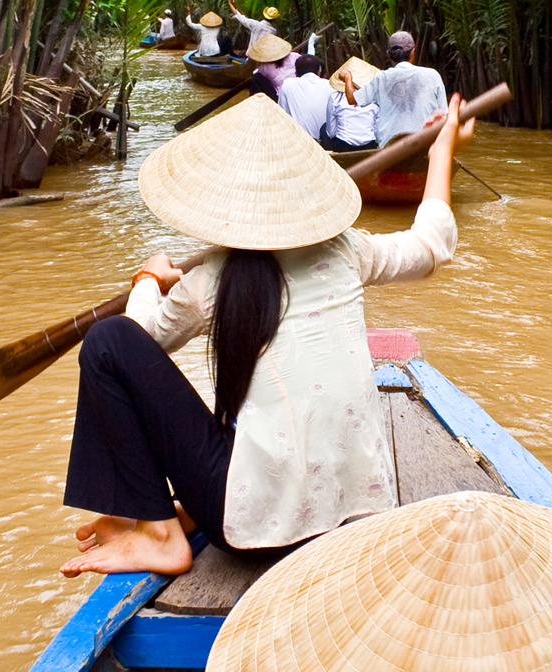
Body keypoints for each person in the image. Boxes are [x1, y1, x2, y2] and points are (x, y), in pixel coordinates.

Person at [57, 92, 478, 577]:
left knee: (107, 342)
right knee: (259, 404)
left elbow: (139, 339)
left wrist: (149, 281)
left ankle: (160, 534)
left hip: (253, 535)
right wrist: (441, 149)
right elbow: (432, 244)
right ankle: (179, 510)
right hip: (355, 512)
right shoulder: (346, 251)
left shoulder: (211, 280)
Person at [342, 31, 447, 147]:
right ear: (413, 52)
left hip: (391, 148)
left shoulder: (381, 78)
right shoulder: (432, 75)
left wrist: (347, 78)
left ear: (388, 54)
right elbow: (444, 115)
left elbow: (351, 98)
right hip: (425, 144)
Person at [324, 57, 380, 151]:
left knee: (323, 129)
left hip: (343, 145)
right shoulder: (373, 97)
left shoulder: (335, 97)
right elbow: (377, 130)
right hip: (369, 144)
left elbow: (331, 133)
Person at [277, 55, 333, 140]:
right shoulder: (329, 85)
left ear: (296, 72)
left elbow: (282, 116)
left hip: (298, 141)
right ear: (319, 71)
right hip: (325, 141)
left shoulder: (288, 84)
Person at [245, 34, 297, 101]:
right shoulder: (294, 56)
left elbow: (256, 74)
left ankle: (253, 103)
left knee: (256, 78)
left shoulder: (265, 67)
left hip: (281, 97)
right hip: (297, 91)